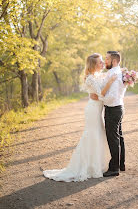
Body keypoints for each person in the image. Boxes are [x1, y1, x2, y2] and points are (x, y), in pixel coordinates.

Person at [43, 53, 116, 182]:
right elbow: (101, 94)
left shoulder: (98, 75)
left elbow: (102, 89)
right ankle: (86, 167)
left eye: (102, 61)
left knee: (98, 134)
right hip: (93, 109)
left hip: (97, 108)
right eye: (100, 62)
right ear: (93, 65)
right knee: (92, 135)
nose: (103, 63)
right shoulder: (90, 79)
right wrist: (109, 83)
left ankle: (96, 165)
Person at [90, 51, 126, 177]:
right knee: (118, 136)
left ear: (114, 61)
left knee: (113, 138)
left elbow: (111, 97)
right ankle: (121, 164)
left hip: (113, 109)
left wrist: (99, 98)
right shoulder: (114, 72)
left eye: (107, 59)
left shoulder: (115, 74)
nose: (105, 61)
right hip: (117, 107)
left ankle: (114, 168)